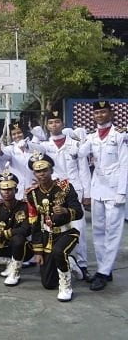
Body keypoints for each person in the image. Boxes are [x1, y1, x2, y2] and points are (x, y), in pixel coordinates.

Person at [28, 110, 92, 281]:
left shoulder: (75, 144)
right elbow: (34, 161)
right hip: (53, 192)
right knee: (53, 227)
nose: (54, 125)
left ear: (62, 124)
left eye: (57, 121)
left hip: (74, 189)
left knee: (79, 229)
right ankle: (63, 260)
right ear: (47, 126)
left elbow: (84, 169)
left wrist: (87, 194)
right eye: (51, 123)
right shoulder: (45, 147)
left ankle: (83, 265)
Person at [78, 100, 128, 291]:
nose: (100, 115)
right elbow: (80, 154)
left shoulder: (119, 136)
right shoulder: (92, 137)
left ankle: (103, 272)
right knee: (98, 232)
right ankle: (104, 269)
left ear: (110, 113)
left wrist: (122, 192)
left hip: (115, 190)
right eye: (97, 112)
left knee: (113, 232)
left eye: (103, 112)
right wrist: (79, 139)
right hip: (98, 188)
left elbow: (125, 165)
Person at [27, 153, 83, 302]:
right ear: (34, 173)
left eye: (45, 170)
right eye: (38, 171)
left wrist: (66, 211)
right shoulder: (32, 195)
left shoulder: (65, 187)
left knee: (59, 251)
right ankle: (70, 262)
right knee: (48, 283)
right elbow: (35, 224)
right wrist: (37, 251)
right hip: (47, 237)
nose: (42, 174)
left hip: (67, 232)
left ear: (51, 170)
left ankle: (66, 286)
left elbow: (79, 212)